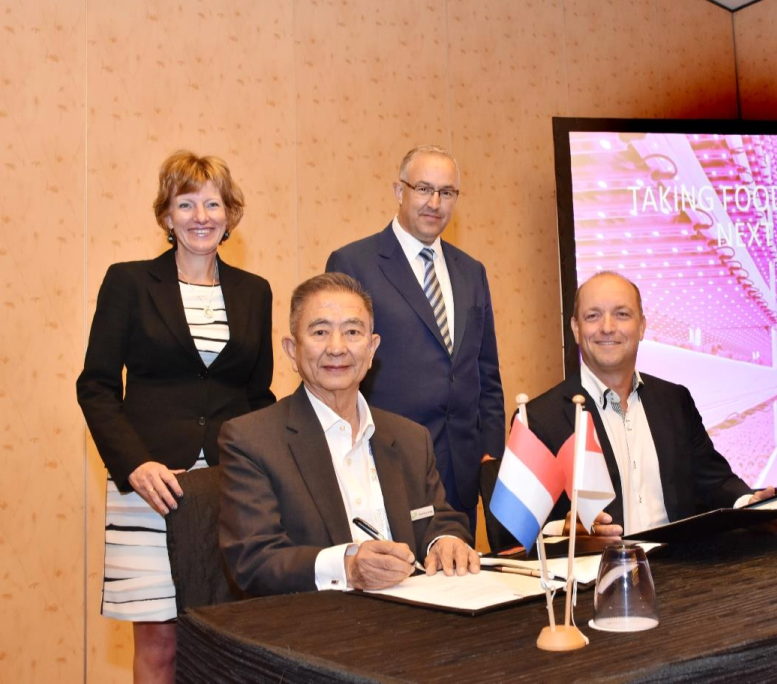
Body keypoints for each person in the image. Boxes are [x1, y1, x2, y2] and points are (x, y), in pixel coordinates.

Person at [77, 151, 275, 683]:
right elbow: (95, 386)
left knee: (231, 640)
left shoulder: (254, 292)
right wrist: (135, 466)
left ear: (230, 214)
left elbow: (258, 396)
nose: (200, 216)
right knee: (161, 647)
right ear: (166, 215)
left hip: (231, 491)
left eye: (212, 203)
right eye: (185, 203)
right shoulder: (129, 283)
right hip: (149, 491)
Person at [219, 273, 480, 596]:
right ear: (292, 350)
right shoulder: (252, 440)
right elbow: (254, 562)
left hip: (417, 619)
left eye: (352, 332)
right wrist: (347, 568)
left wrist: (446, 541)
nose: (337, 348)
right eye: (320, 332)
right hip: (317, 628)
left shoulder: (411, 438)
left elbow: (439, 518)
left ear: (372, 349)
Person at [324, 145, 504, 533]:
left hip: (461, 469)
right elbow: (336, 372)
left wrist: (492, 452)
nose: (435, 203)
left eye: (447, 192)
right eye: (423, 188)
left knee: (461, 581)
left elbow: (485, 371)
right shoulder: (355, 263)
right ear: (399, 191)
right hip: (386, 460)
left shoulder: (472, 271)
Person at [525, 271, 777, 538]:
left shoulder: (676, 402)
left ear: (641, 327)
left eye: (622, 314)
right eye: (592, 316)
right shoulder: (539, 420)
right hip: (602, 576)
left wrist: (749, 506)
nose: (607, 327)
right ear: (576, 329)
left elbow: (715, 481)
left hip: (684, 570)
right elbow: (514, 533)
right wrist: (561, 531)